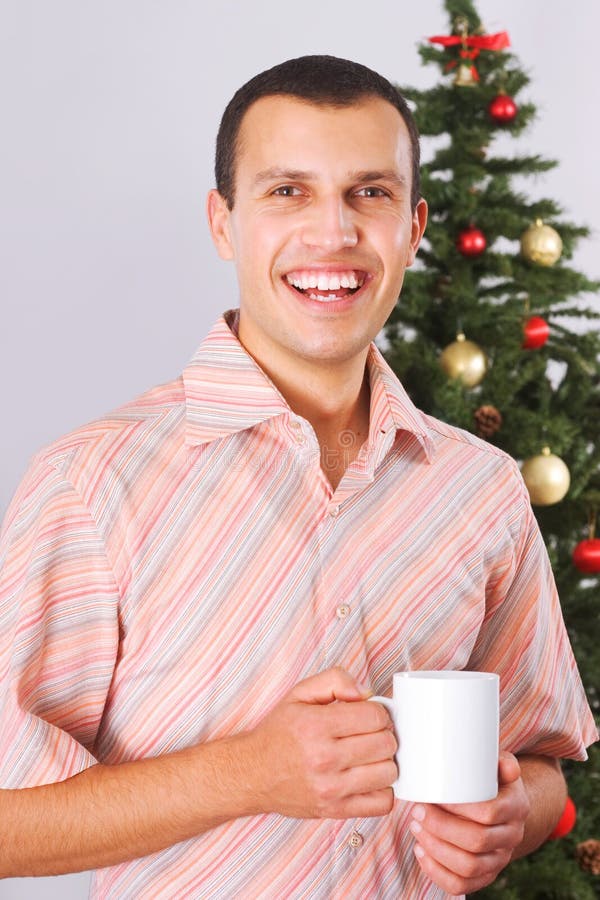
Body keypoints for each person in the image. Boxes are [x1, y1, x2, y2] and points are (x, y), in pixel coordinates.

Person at [0, 54, 597, 900]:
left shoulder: (483, 490)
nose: (333, 232)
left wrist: (514, 816)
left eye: (369, 192)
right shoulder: (91, 485)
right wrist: (247, 775)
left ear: (414, 227)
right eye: (288, 191)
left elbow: (540, 762)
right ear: (223, 222)